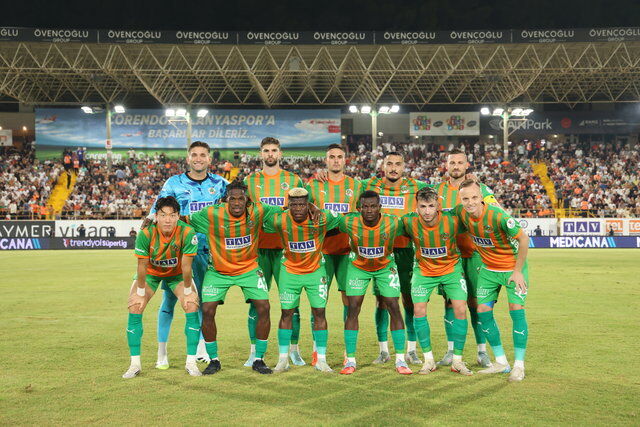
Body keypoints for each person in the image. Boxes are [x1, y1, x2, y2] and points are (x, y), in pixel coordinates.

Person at [147, 141, 228, 368]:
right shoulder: (173, 183)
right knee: (169, 300)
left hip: (207, 252)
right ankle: (162, 353)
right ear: (188, 158)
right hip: (177, 250)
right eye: (194, 155)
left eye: (203, 155)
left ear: (209, 159)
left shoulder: (221, 184)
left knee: (201, 300)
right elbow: (156, 212)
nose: (198, 158)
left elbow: (241, 199)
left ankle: (201, 347)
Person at [185, 180, 280, 375]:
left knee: (264, 307)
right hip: (218, 271)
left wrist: (311, 207)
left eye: (241, 199)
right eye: (232, 199)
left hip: (249, 269)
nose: (237, 203)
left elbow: (285, 211)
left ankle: (259, 359)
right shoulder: (212, 214)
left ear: (247, 200)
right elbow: (185, 219)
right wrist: (154, 218)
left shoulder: (258, 210)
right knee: (207, 310)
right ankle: (214, 360)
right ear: (225, 200)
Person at [454, 179, 530, 382]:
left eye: (474, 197)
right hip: (488, 270)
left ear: (482, 197)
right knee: (482, 312)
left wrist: (518, 271)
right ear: (460, 199)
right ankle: (501, 362)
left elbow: (524, 239)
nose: (470, 202)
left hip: (512, 269)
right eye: (465, 199)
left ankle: (519, 366)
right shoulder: (461, 213)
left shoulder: (498, 216)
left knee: (516, 310)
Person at [264, 188, 342, 373]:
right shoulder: (279, 219)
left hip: (316, 272)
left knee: (319, 313)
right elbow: (261, 216)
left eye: (302, 204)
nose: (298, 208)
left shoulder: (321, 218)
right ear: (288, 205)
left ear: (308, 204)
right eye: (294, 204)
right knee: (286, 313)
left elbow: (343, 217)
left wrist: (317, 208)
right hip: (289, 273)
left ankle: (321, 360)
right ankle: (283, 359)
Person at [362, 152, 429, 365]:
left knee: (409, 300)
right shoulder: (369, 184)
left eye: (397, 164)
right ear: (383, 166)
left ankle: (411, 350)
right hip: (381, 252)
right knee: (382, 301)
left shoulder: (417, 186)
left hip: (407, 251)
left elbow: (442, 190)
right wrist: (323, 175)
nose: (393, 168)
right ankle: (383, 351)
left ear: (404, 167)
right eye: (389, 164)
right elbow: (345, 183)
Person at [433, 148, 498, 368]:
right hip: (450, 257)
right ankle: (451, 351)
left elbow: (495, 212)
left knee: (477, 304)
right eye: (452, 163)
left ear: (467, 165)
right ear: (446, 165)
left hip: (476, 256)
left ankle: (482, 352)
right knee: (450, 303)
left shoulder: (481, 189)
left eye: (460, 162)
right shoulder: (437, 190)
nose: (456, 166)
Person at [243, 137, 305, 367]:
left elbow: (303, 212)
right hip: (257, 251)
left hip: (286, 251)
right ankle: (254, 352)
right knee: (256, 303)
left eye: (274, 150)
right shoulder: (250, 181)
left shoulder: (294, 180)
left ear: (280, 153)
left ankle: (294, 350)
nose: (270, 154)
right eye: (266, 150)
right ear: (261, 154)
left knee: (291, 303)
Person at [123, 196, 201, 378]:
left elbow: (187, 266)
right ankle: (134, 364)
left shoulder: (187, 232)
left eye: (172, 215)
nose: (168, 220)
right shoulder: (146, 233)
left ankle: (191, 363)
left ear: (178, 216)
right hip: (151, 273)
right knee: (135, 306)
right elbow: (142, 265)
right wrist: (140, 293)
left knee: (191, 305)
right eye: (163, 215)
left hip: (177, 274)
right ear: (156, 216)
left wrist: (188, 292)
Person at [339, 191, 411, 375]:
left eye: (373, 206)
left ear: (380, 207)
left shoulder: (393, 222)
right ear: (359, 208)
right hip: (358, 267)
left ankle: (401, 359)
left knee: (394, 306)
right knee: (353, 308)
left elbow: (412, 226)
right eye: (365, 207)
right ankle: (350, 360)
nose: (369, 210)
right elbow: (327, 220)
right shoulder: (348, 221)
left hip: (385, 267)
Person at [402, 188, 472, 376]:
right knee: (418, 310)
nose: (427, 211)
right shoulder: (408, 221)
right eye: (423, 206)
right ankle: (428, 360)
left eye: (431, 206)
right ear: (416, 207)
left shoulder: (452, 220)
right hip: (423, 271)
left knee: (460, 309)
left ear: (438, 206)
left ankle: (457, 360)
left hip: (451, 269)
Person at [305, 144, 362, 366]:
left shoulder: (356, 185)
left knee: (350, 302)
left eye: (339, 157)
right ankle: (317, 351)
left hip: (348, 251)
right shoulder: (313, 184)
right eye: (332, 157)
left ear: (345, 160)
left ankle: (349, 352)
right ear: (326, 160)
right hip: (322, 251)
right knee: (318, 302)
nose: (336, 160)